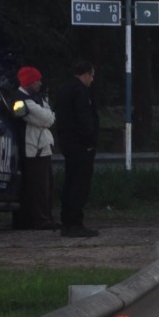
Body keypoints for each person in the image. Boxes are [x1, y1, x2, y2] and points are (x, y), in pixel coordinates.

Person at [52, 60, 100, 238]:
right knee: (79, 184)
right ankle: (75, 222)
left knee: (70, 182)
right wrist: (89, 141)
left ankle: (67, 222)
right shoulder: (79, 91)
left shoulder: (64, 89)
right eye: (92, 75)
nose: (92, 80)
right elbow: (83, 117)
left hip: (68, 142)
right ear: (86, 74)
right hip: (80, 145)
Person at [10, 66, 58, 230]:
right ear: (29, 82)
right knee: (37, 187)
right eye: (37, 80)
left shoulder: (34, 99)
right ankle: (39, 220)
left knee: (45, 186)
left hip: (41, 147)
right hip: (32, 150)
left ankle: (43, 218)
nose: (40, 83)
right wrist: (46, 114)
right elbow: (48, 118)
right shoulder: (20, 101)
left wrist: (45, 114)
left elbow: (49, 117)